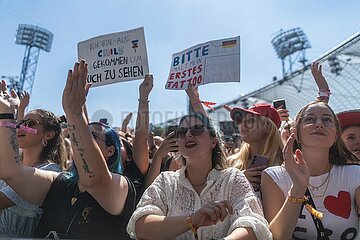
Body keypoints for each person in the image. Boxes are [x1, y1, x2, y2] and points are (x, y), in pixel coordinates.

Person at [0, 60, 135, 239]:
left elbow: (94, 180)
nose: (79, 137)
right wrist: (6, 114)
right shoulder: (59, 182)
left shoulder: (121, 186)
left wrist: (75, 112)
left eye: (91, 136)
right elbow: (11, 172)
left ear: (110, 151)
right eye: (78, 133)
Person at [127, 112, 272, 240]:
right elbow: (140, 226)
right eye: (182, 132)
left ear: (213, 142)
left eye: (197, 129)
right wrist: (192, 220)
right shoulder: (165, 181)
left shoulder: (232, 178)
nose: (188, 134)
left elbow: (253, 224)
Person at [261, 101, 360, 239]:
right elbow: (277, 237)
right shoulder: (274, 177)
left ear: (336, 136)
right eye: (309, 119)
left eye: (327, 120)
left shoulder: (355, 174)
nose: (319, 124)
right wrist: (297, 189)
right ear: (296, 133)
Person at [0, 107, 65, 237]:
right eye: (20, 123)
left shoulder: (49, 171)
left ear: (48, 134)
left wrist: (5, 113)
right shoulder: (12, 165)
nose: (21, 127)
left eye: (29, 124)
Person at [227, 103, 284, 192]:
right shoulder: (231, 162)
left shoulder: (285, 163)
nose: (243, 124)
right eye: (240, 121)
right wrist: (238, 180)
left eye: (250, 121)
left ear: (268, 127)